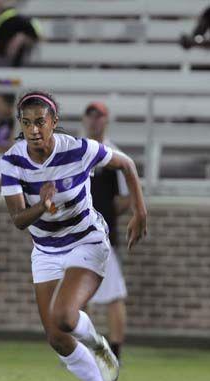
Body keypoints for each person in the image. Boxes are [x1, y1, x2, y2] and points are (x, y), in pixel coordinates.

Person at [0, 91, 147, 381]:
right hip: (45, 250)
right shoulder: (12, 161)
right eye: (27, 123)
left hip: (85, 240)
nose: (34, 129)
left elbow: (127, 164)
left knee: (64, 316)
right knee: (56, 337)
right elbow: (18, 220)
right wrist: (42, 204)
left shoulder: (79, 149)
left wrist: (139, 211)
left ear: (54, 122)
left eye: (41, 121)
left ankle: (98, 345)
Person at [84, 102, 131, 362]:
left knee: (113, 294)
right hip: (76, 238)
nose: (94, 121)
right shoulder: (78, 153)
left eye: (98, 117)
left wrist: (105, 215)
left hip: (103, 238)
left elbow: (126, 198)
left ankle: (115, 351)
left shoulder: (114, 156)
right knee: (78, 298)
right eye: (90, 117)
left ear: (106, 120)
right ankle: (84, 349)